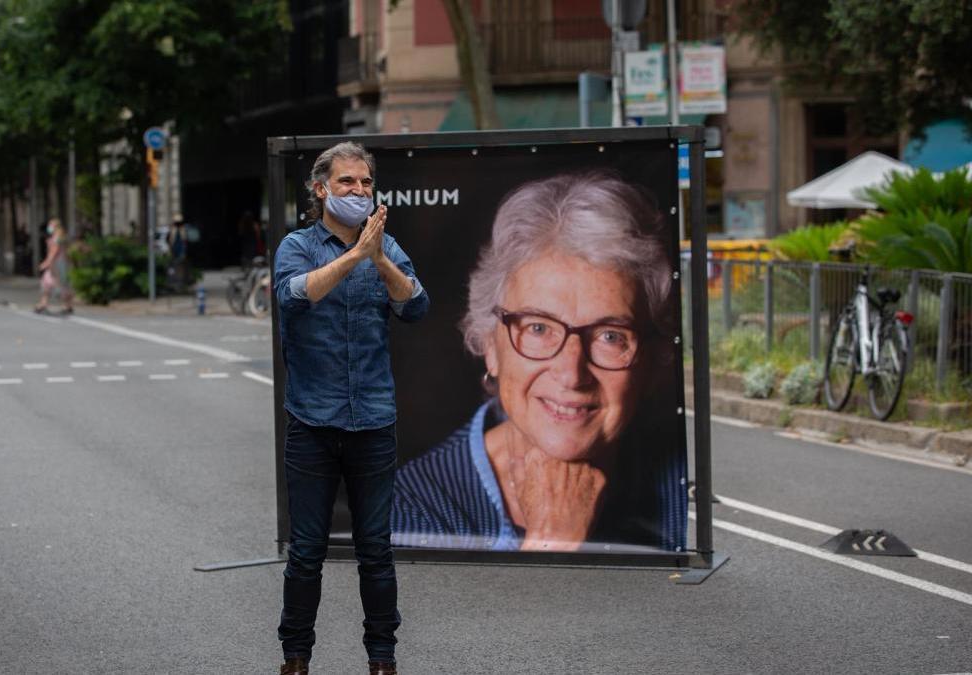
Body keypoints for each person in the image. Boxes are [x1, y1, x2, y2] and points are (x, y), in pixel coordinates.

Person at [392, 171, 686, 553]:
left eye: (610, 336)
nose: (571, 372)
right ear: (489, 345)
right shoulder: (408, 509)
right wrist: (555, 541)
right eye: (538, 328)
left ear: (651, 360)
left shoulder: (680, 492)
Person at [273, 141, 429, 675]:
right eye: (347, 183)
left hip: (373, 421)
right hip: (312, 423)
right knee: (306, 553)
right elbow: (294, 295)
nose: (359, 191)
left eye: (365, 183)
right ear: (321, 190)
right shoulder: (298, 245)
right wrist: (354, 256)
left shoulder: (385, 247)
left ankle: (382, 660)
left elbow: (415, 305)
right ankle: (295, 658)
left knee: (377, 552)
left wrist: (379, 256)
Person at [34, 218, 73, 315]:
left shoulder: (57, 238)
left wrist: (46, 262)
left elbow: (54, 252)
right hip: (57, 264)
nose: (49, 227)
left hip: (57, 265)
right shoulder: (58, 237)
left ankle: (67, 306)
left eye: (51, 225)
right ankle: (43, 304)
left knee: (59, 285)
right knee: (48, 284)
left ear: (55, 227)